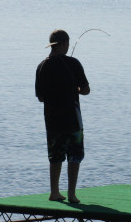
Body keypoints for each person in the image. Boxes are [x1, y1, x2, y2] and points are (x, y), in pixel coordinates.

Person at [35, 29, 90, 203]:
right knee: (74, 155)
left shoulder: (42, 66)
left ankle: (54, 192)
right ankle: (72, 194)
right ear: (65, 44)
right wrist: (76, 89)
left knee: (55, 156)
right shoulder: (73, 63)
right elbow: (86, 90)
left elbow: (41, 97)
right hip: (72, 118)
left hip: (52, 120)